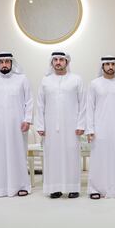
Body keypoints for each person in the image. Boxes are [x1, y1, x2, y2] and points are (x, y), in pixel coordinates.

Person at [0, 52, 33, 197]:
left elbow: (29, 101)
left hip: (18, 126)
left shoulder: (22, 79)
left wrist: (28, 120)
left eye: (7, 62)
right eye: (1, 62)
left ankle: (21, 186)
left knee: (18, 155)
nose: (4, 64)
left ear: (12, 63)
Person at [35, 51, 85, 199]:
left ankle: (73, 188)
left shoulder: (76, 79)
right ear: (52, 63)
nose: (58, 62)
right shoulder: (46, 81)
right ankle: (54, 188)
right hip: (51, 127)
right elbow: (40, 104)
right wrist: (40, 125)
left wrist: (81, 124)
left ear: (67, 62)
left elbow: (83, 103)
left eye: (61, 60)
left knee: (72, 155)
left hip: (72, 126)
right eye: (55, 60)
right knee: (52, 156)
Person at [86, 56, 115, 199]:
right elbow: (89, 107)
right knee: (98, 158)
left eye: (113, 64)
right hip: (100, 128)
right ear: (102, 66)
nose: (110, 67)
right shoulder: (94, 84)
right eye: (107, 64)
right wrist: (90, 129)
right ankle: (95, 189)